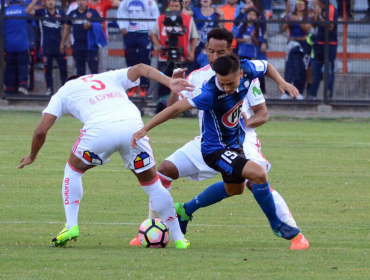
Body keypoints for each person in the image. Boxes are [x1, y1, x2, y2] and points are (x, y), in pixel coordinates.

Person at [129, 28, 309, 250]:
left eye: (220, 52)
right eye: (211, 51)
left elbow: (262, 110)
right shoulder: (203, 84)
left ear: (231, 54)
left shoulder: (246, 70)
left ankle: (186, 210)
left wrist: (280, 82)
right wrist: (171, 91)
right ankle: (154, 228)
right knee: (166, 169)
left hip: (242, 139)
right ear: (205, 50)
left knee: (241, 187)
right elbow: (173, 109)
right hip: (211, 144)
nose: (214, 56)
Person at [17, 64, 195, 249]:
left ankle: (71, 226)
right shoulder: (108, 77)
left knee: (74, 170)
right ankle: (179, 239)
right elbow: (141, 68)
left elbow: (40, 131)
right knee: (153, 185)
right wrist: (169, 81)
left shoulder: (64, 91)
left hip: (99, 133)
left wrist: (32, 155)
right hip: (133, 128)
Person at [150, 0, 198, 112]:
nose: (174, 8)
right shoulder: (161, 18)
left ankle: (183, 108)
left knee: (183, 83)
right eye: (172, 6)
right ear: (168, 6)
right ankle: (161, 106)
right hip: (164, 56)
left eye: (176, 6)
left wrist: (192, 52)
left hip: (182, 57)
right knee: (163, 82)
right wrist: (158, 46)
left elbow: (194, 37)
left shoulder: (188, 19)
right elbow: (153, 34)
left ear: (180, 7)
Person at [117, 0, 159, 98]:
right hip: (130, 32)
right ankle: (131, 86)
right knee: (130, 59)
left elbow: (156, 15)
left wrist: (152, 30)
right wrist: (122, 26)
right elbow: (120, 13)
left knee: (145, 60)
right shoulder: (126, 2)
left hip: (144, 33)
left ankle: (144, 86)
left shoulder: (150, 1)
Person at [26, 0, 68, 96]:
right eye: (48, 0)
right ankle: (49, 89)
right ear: (45, 2)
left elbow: (66, 28)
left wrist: (63, 43)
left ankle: (65, 90)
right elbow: (28, 11)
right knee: (47, 70)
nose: (50, 2)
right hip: (46, 46)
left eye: (52, 0)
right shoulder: (41, 12)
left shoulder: (61, 13)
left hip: (59, 47)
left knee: (63, 69)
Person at [60, 0, 101, 77]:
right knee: (80, 70)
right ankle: (82, 87)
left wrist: (91, 25)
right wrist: (62, 43)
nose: (81, 2)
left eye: (83, 0)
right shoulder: (72, 14)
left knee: (93, 69)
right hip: (77, 46)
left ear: (87, 1)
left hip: (91, 46)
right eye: (79, 0)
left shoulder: (93, 12)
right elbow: (66, 29)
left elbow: (102, 26)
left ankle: (94, 87)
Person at [281, 0, 311, 99]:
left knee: (300, 69)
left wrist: (298, 19)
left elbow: (306, 29)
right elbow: (283, 27)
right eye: (298, 3)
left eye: (302, 3)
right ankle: (286, 92)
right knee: (289, 68)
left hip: (302, 45)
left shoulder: (307, 17)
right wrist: (288, 20)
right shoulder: (290, 15)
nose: (300, 5)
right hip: (291, 44)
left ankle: (299, 92)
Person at [308, 0, 337, 100]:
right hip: (318, 43)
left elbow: (330, 26)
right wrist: (314, 17)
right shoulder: (317, 9)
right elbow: (314, 26)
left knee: (329, 71)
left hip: (329, 44)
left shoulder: (331, 9)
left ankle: (328, 96)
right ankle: (313, 95)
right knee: (315, 71)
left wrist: (319, 17)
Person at [4, 0, 30, 96]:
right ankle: (22, 85)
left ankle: (10, 88)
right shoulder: (24, 10)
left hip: (9, 45)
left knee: (10, 67)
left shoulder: (4, 11)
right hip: (22, 44)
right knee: (22, 66)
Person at [189, 0, 224, 72]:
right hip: (197, 43)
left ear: (211, 1)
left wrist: (221, 15)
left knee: (209, 67)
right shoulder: (194, 10)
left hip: (210, 43)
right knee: (194, 67)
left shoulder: (216, 12)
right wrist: (185, 4)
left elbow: (221, 27)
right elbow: (183, 14)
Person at [88, 0, 120, 73]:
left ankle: (102, 83)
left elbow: (118, 4)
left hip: (102, 37)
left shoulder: (104, 2)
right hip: (89, 39)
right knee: (89, 65)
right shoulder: (86, 3)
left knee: (102, 66)